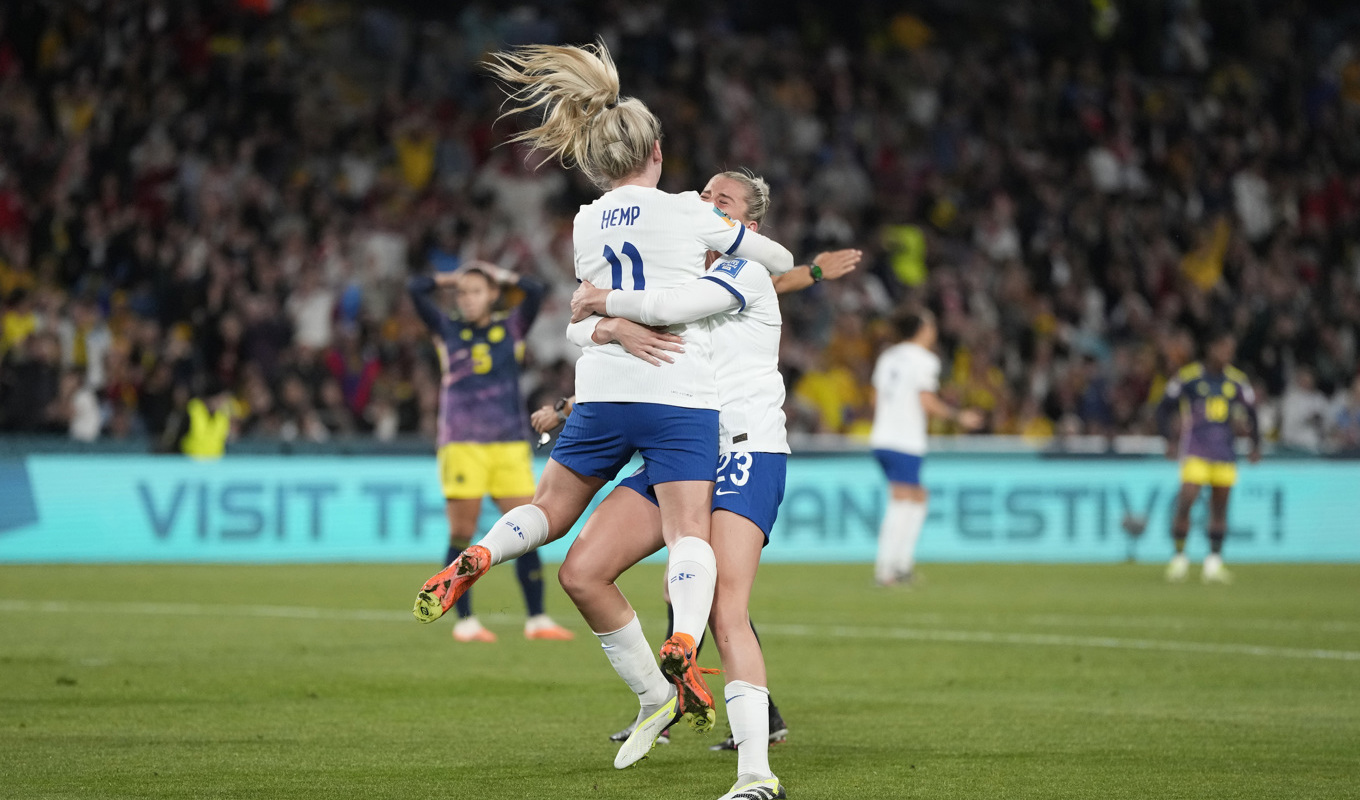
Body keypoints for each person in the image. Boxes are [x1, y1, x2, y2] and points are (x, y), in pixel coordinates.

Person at [410, 40, 796, 750]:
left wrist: (610, 317)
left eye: (724, 201)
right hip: (678, 404)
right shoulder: (688, 221)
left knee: (555, 513)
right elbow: (768, 264)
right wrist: (722, 244)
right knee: (685, 541)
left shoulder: (588, 220)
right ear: (658, 153)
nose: (710, 202)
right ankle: (681, 651)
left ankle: (487, 556)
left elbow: (583, 320)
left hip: (620, 401)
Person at [556, 170, 852, 799]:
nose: (707, 203)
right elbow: (650, 351)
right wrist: (577, 400)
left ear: (749, 225)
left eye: (725, 201)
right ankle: (659, 700)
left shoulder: (743, 274)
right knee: (584, 569)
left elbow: (663, 312)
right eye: (706, 195)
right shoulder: (680, 269)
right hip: (684, 447)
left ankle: (757, 774)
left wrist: (599, 303)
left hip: (745, 447)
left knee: (724, 607)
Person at [407, 262, 574, 643]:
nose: (467, 298)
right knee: (462, 532)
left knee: (527, 530)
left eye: (476, 291)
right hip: (462, 443)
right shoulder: (446, 328)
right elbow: (416, 287)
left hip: (509, 443)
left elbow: (535, 289)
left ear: (493, 294)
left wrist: (493, 272)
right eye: (462, 292)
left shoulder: (511, 328)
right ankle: (465, 621)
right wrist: (456, 276)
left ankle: (537, 619)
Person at [869, 310, 982, 586]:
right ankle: (886, 569)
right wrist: (959, 417)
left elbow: (874, 398)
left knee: (918, 497)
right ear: (922, 330)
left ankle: (901, 563)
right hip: (905, 440)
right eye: (931, 325)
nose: (934, 330)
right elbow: (926, 401)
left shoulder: (888, 356)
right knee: (902, 500)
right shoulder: (925, 360)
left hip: (882, 437)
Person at [1156, 331, 1261, 584]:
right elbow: (1163, 407)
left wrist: (1255, 445)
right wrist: (1169, 439)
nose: (1227, 354)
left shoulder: (1237, 380)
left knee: (1220, 508)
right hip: (1196, 451)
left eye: (1230, 350)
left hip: (1225, 453)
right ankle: (1179, 557)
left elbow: (1253, 413)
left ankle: (1213, 562)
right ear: (1211, 348)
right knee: (1186, 501)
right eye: (1223, 348)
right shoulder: (1189, 377)